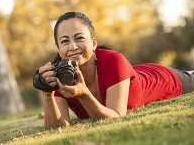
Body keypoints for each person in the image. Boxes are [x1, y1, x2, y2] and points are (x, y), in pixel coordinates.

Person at [36, 11, 194, 129]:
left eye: (79, 38)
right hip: (131, 74)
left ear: (94, 43)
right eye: (64, 41)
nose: (72, 47)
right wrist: (47, 94)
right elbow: (58, 128)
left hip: (168, 79)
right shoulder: (61, 75)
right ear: (58, 49)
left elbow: (115, 117)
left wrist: (83, 95)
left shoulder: (113, 60)